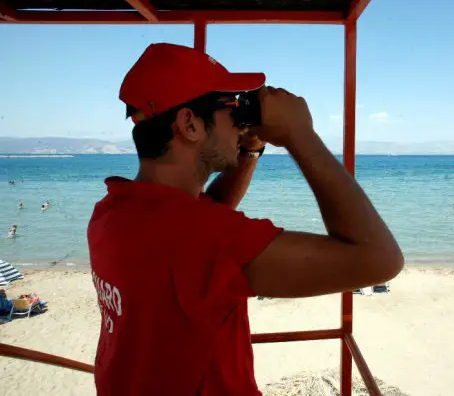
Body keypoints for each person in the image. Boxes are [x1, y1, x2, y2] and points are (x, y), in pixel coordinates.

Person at [86, 43, 404, 396]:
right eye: (229, 107)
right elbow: (379, 260)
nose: (238, 120)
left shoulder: (113, 212)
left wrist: (250, 148)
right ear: (190, 124)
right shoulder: (205, 238)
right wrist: (300, 134)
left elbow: (208, 211)